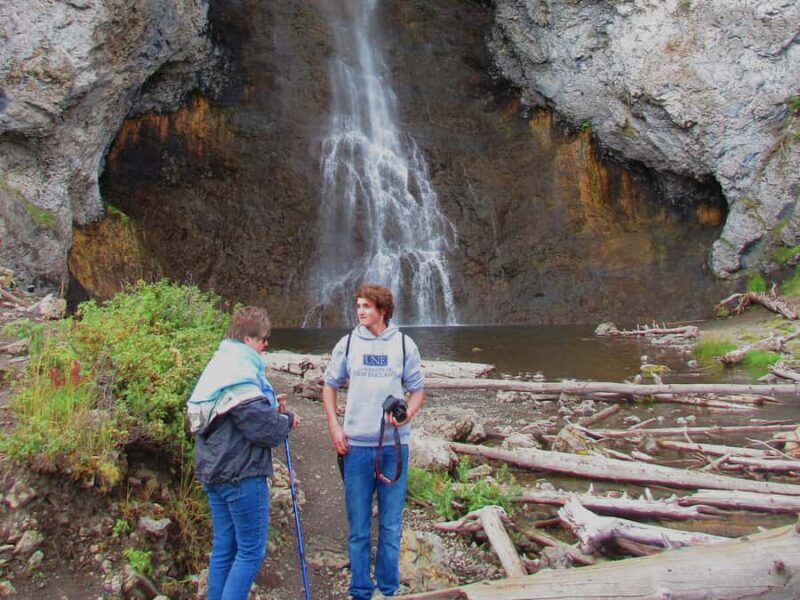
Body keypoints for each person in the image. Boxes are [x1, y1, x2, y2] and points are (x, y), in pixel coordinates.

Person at [187, 306, 299, 600]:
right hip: (241, 473)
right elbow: (263, 429)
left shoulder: (221, 366)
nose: (266, 345)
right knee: (250, 550)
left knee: (225, 547)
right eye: (263, 339)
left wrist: (269, 406)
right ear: (248, 338)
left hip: (214, 472)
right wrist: (286, 420)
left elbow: (238, 414)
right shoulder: (240, 372)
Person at [322, 284, 425, 600]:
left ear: (383, 310)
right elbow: (329, 385)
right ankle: (360, 590)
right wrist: (335, 426)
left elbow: (417, 390)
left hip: (394, 447)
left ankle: (388, 589)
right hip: (355, 448)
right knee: (358, 526)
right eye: (358, 306)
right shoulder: (348, 343)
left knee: (391, 526)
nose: (360, 311)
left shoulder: (405, 344)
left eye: (366, 306)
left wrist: (407, 415)